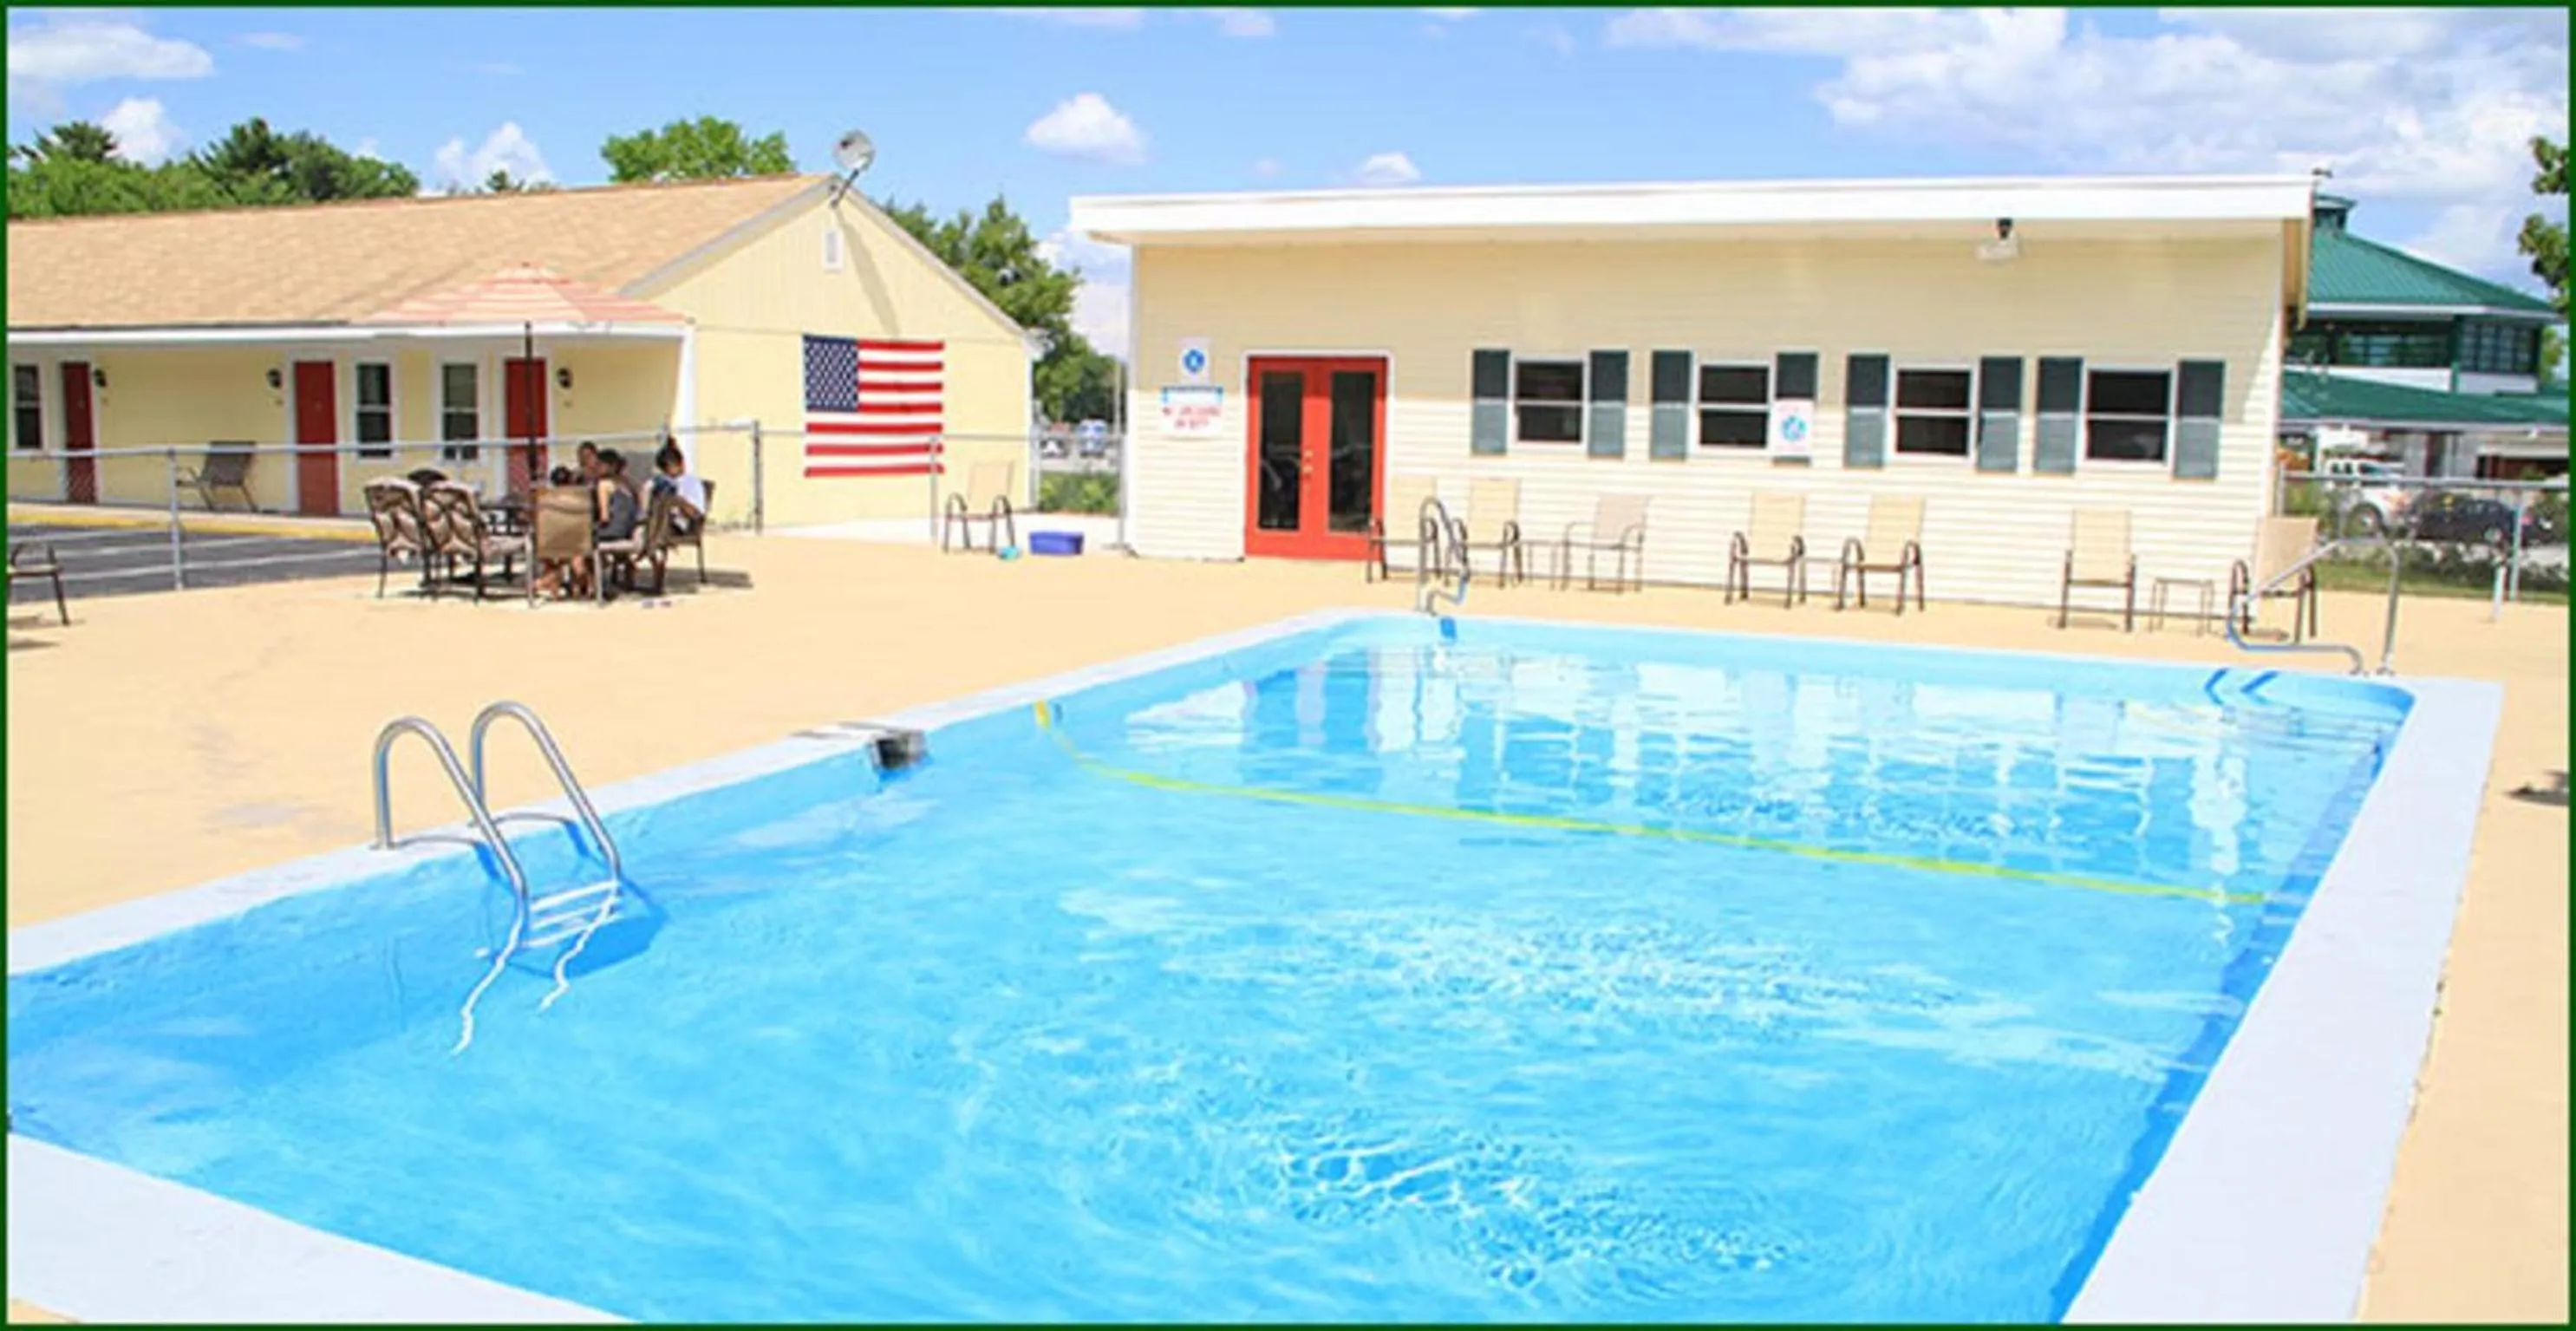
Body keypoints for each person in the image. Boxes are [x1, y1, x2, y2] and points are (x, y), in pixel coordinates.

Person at [647, 439, 708, 534]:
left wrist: (680, 502)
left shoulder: (691, 483)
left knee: (647, 531)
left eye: (668, 469)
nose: (666, 474)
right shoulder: (663, 481)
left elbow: (697, 514)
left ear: (680, 464)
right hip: (658, 520)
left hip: (676, 525)